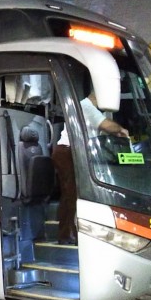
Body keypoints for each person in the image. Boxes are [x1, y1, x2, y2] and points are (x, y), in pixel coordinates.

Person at [52, 91, 128, 245]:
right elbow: (107, 125)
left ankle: (69, 233)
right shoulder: (86, 106)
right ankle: (67, 235)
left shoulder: (86, 107)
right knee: (71, 194)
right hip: (68, 152)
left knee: (71, 194)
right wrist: (121, 130)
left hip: (72, 153)